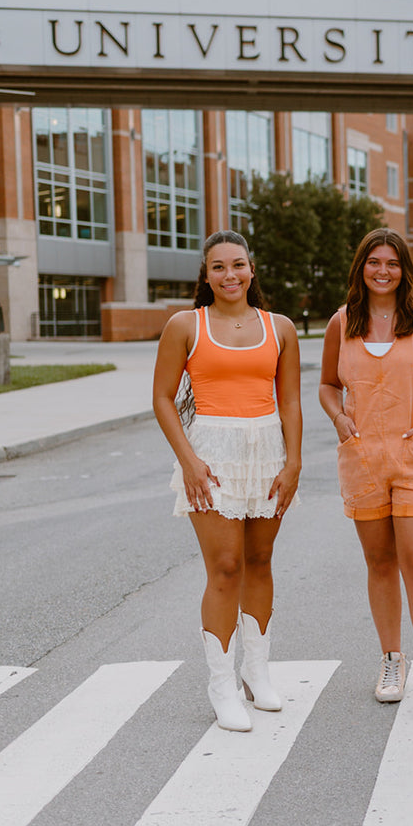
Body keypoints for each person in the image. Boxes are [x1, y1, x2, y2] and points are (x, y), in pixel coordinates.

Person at [152, 230, 302, 732]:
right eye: (218, 267)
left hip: (267, 453)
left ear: (252, 270)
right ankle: (222, 686)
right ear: (206, 274)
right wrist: (190, 461)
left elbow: (292, 401)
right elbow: (162, 399)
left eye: (238, 265)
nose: (229, 275)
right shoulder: (184, 325)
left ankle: (256, 673)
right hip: (211, 455)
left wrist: (294, 462)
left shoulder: (279, 328)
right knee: (224, 568)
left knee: (259, 562)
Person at [320, 228, 413, 719]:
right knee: (380, 565)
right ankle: (392, 660)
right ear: (361, 267)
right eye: (374, 262)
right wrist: (339, 420)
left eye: (392, 263)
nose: (383, 271)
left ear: (405, 271)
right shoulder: (342, 323)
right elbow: (326, 385)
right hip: (362, 459)